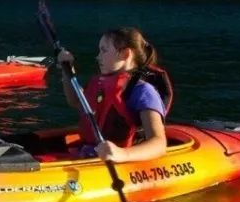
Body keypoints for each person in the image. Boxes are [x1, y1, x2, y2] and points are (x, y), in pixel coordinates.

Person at [56, 27, 173, 164]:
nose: (98, 56)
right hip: (89, 153)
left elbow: (158, 143)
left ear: (125, 54)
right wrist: (68, 71)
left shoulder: (143, 91)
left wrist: (122, 154)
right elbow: (76, 101)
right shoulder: (101, 83)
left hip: (121, 159)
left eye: (104, 50)